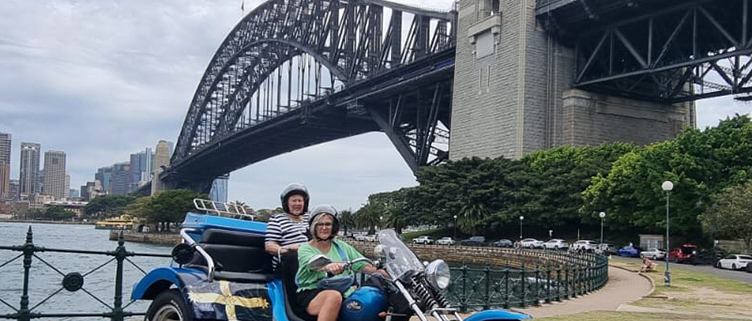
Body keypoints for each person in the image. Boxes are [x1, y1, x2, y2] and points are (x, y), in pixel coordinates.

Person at [296, 204, 388, 321]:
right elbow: (313, 262)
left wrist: (390, 273)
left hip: (343, 292)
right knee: (333, 296)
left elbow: (364, 265)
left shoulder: (342, 247)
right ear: (313, 226)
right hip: (311, 294)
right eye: (320, 224)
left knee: (369, 299)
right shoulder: (305, 248)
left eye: (328, 224)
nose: (324, 227)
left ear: (334, 227)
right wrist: (328, 266)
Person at [265, 183, 311, 269]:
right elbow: (270, 246)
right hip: (288, 264)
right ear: (287, 203)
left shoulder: (311, 218)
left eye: (300, 201)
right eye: (294, 201)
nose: (297, 203)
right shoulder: (277, 219)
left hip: (312, 260)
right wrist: (288, 251)